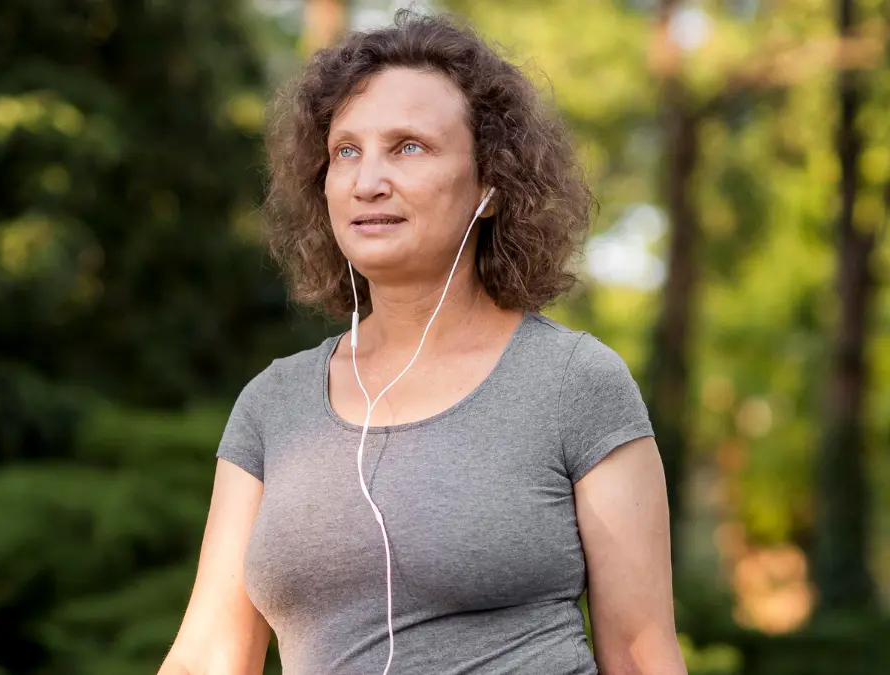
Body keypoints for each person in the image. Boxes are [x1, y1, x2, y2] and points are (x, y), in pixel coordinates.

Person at [159, 10, 686, 675]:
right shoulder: (272, 406)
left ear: (491, 186)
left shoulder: (574, 383)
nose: (367, 179)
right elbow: (208, 655)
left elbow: (641, 655)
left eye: (408, 146)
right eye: (346, 150)